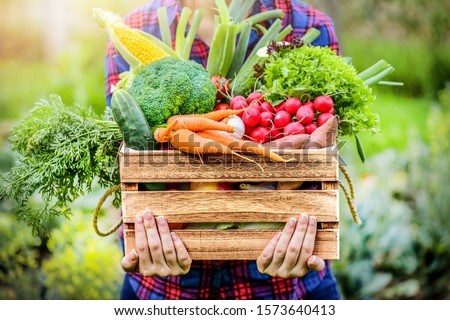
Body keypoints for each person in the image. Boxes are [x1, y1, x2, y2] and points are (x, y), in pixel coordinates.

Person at [105, 0, 341, 300]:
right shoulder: (132, 29)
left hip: (288, 291)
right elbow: (126, 162)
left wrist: (308, 236)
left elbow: (323, 166)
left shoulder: (310, 25)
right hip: (165, 293)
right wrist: (143, 237)